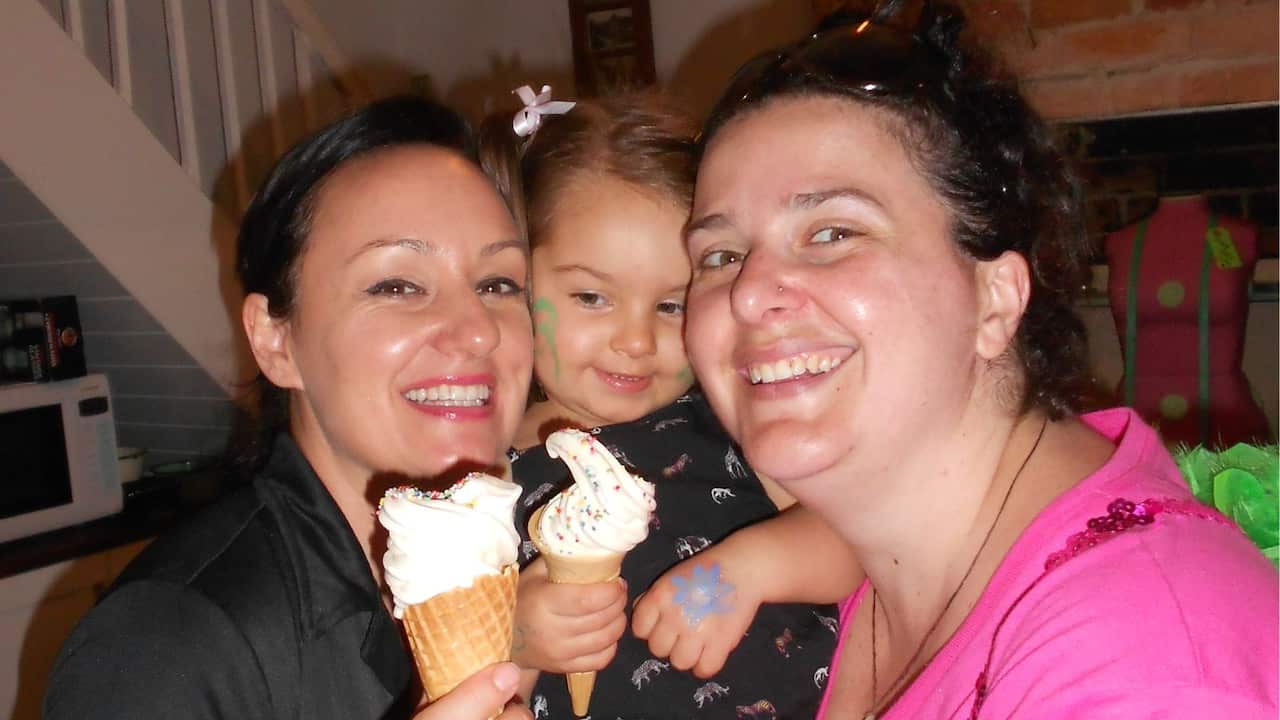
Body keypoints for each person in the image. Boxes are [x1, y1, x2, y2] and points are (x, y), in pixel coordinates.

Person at [660, 2, 1278, 718]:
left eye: (832, 233)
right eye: (720, 255)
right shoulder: (848, 559)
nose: (747, 294)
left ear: (995, 299)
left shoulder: (1147, 671)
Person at [44, 96, 535, 720]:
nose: (479, 331)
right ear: (275, 343)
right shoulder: (164, 645)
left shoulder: (540, 560)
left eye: (498, 284)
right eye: (397, 285)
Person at [479, 90, 852, 718]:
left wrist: (750, 568)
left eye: (671, 305)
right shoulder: (483, 475)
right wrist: (519, 639)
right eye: (592, 298)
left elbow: (850, 541)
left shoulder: (731, 415)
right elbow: (469, 680)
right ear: (518, 283)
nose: (635, 341)